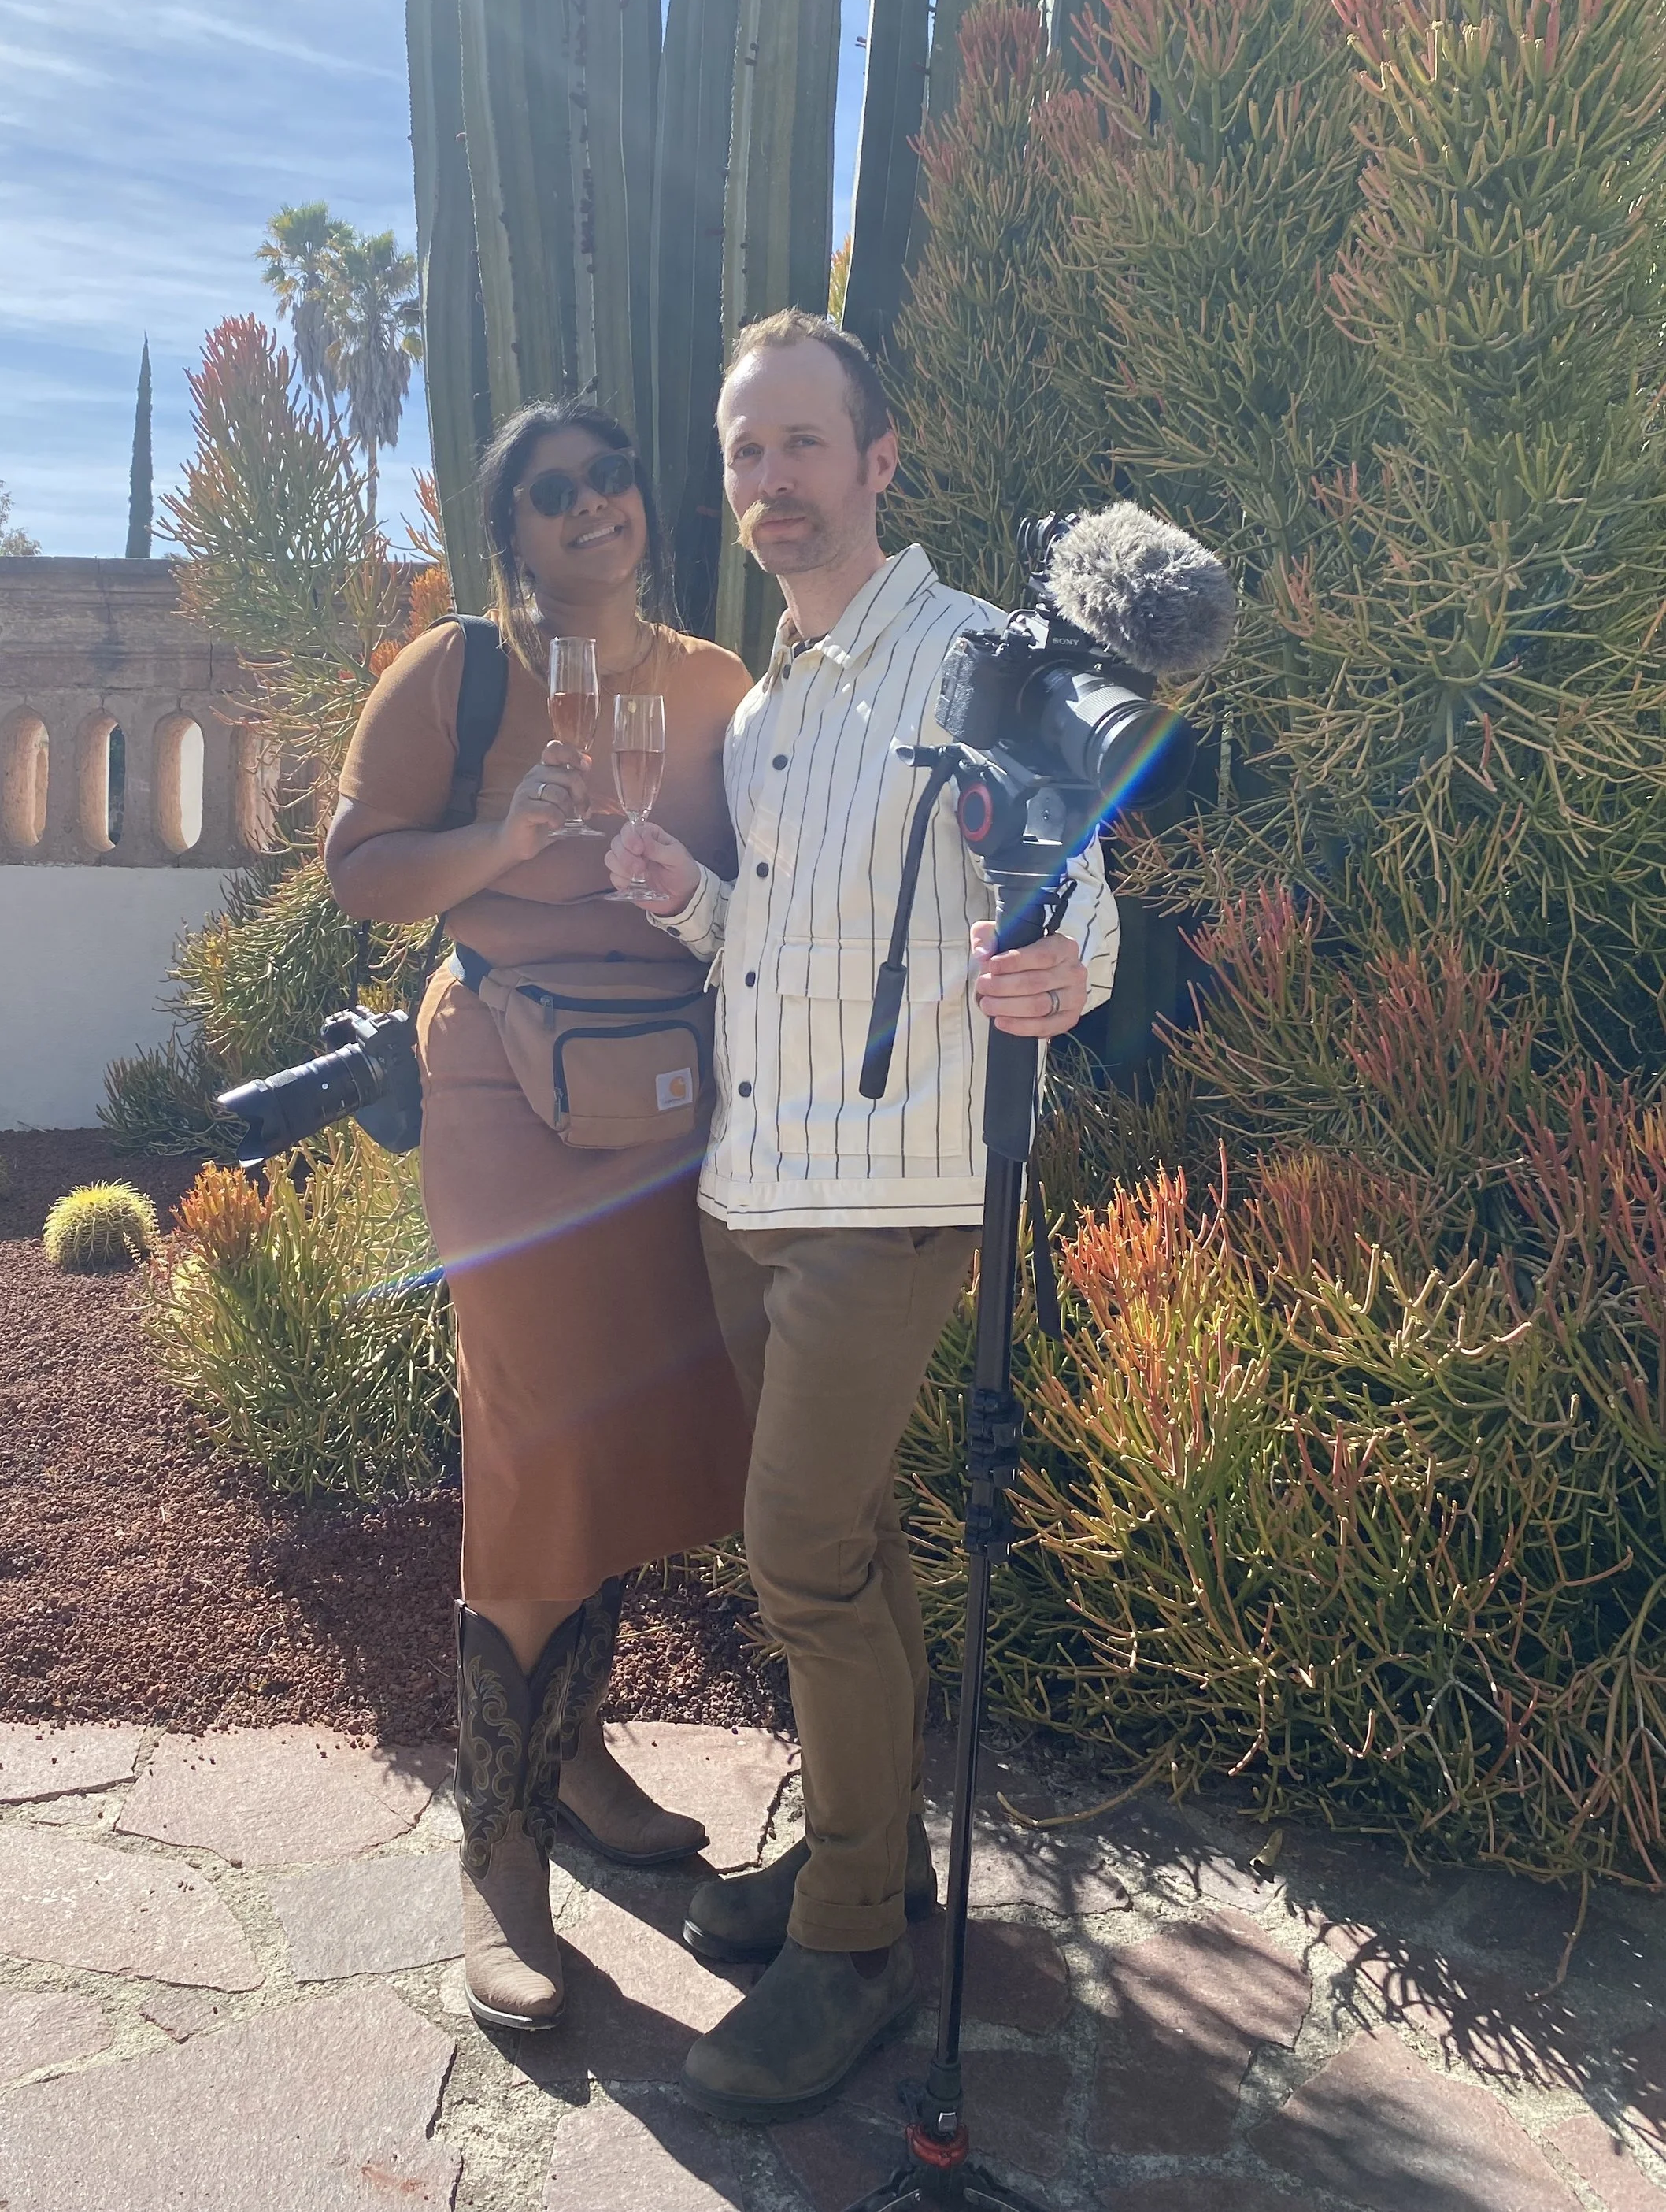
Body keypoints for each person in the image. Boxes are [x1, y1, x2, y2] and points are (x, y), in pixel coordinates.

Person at [607, 310, 1120, 2121]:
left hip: (887, 1205)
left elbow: (1073, 887)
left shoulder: (976, 659)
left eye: (800, 446)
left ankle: (848, 1945)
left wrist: (1062, 963)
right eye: (744, 453)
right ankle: (873, 1857)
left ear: (878, 458)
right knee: (852, 1552)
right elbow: (783, 946)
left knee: (801, 1556)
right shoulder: (759, 717)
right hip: (748, 1197)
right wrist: (688, 900)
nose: (767, 484)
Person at [324, 401, 754, 2036]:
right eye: (552, 493)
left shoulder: (717, 682)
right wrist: (499, 840)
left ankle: (573, 1759)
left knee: (625, 1433)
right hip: (503, 1081)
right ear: (513, 533)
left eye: (611, 475)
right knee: (526, 1440)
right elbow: (356, 867)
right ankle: (495, 1866)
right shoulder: (462, 676)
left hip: (662, 1095)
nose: (593, 505)